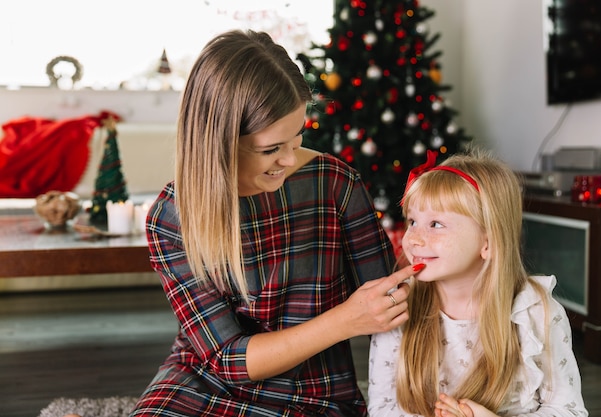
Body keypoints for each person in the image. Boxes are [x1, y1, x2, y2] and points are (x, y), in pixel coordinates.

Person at [129, 29, 417, 417]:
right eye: (271, 149)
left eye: (296, 139)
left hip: (314, 391)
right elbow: (227, 360)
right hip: (203, 380)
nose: (289, 159)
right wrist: (345, 319)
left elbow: (390, 305)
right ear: (220, 144)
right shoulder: (172, 215)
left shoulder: (333, 183)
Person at [367, 149, 588, 417]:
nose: (413, 238)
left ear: (488, 242)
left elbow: (568, 410)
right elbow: (382, 408)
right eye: (413, 221)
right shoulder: (397, 307)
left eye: (436, 224)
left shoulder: (536, 312)